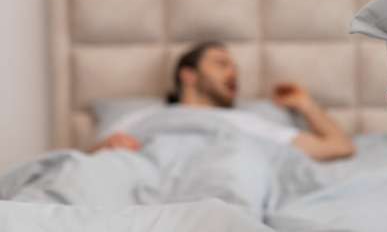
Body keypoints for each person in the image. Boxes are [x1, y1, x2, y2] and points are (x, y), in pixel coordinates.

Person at [87, 41, 355, 161]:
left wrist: (305, 105)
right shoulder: (142, 118)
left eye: (235, 68)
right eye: (221, 64)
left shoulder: (246, 122)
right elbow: (85, 158)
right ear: (188, 74)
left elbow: (339, 147)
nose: (233, 73)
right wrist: (106, 145)